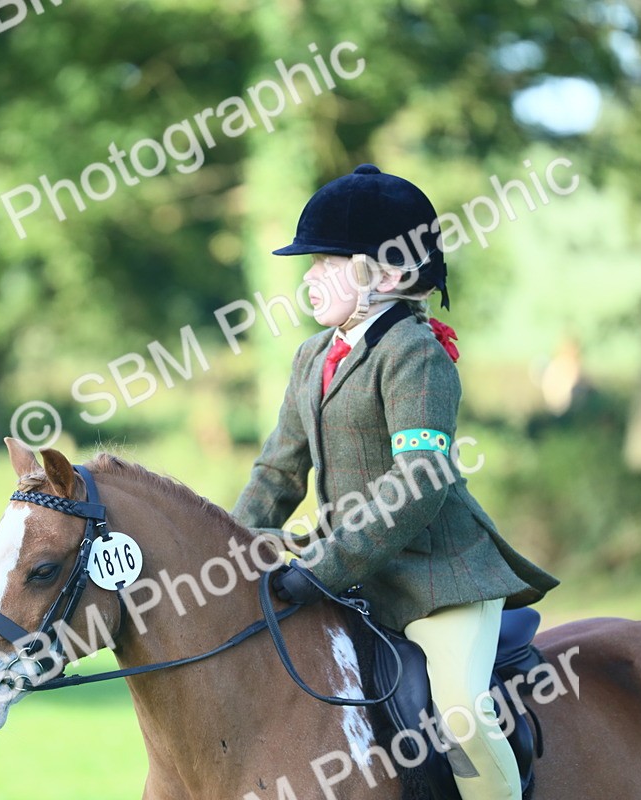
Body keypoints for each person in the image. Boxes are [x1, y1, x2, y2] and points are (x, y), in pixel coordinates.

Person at [232, 164, 559, 800]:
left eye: (329, 261)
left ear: (391, 275)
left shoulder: (416, 354)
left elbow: (419, 483)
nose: (310, 276)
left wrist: (322, 567)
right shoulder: (312, 357)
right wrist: (234, 547)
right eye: (312, 261)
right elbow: (277, 470)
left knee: (462, 716)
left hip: (439, 580)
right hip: (354, 577)